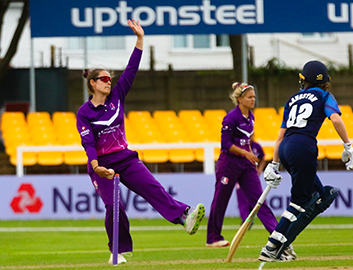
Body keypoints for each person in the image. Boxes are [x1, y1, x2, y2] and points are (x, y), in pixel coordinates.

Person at [76, 19, 205, 265]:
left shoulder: (117, 97)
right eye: (103, 78)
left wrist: (139, 39)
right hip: (102, 165)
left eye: (109, 78)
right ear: (92, 83)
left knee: (153, 189)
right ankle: (118, 252)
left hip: (125, 158)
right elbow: (89, 144)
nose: (108, 81)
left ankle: (183, 217)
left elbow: (131, 69)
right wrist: (96, 167)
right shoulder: (84, 112)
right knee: (115, 207)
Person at [258, 60, 353, 262]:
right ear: (325, 80)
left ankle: (283, 243)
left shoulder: (293, 99)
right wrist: (348, 146)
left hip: (286, 147)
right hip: (303, 147)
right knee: (299, 201)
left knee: (320, 196)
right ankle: (273, 247)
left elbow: (280, 137)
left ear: (304, 79)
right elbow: (336, 119)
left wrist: (274, 164)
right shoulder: (324, 95)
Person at [206, 82, 280, 249]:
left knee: (259, 199)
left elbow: (247, 140)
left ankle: (277, 235)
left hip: (245, 165)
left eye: (254, 97)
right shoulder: (230, 118)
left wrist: (249, 156)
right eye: (250, 97)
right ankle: (213, 237)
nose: (253, 100)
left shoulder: (251, 117)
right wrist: (246, 153)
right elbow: (225, 143)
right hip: (229, 163)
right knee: (221, 199)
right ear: (240, 99)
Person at [235, 141, 265, 225]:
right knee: (242, 199)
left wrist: (260, 169)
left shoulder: (256, 146)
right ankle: (245, 220)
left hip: (252, 175)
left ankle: (250, 218)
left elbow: (263, 158)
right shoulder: (239, 145)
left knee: (256, 197)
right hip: (240, 175)